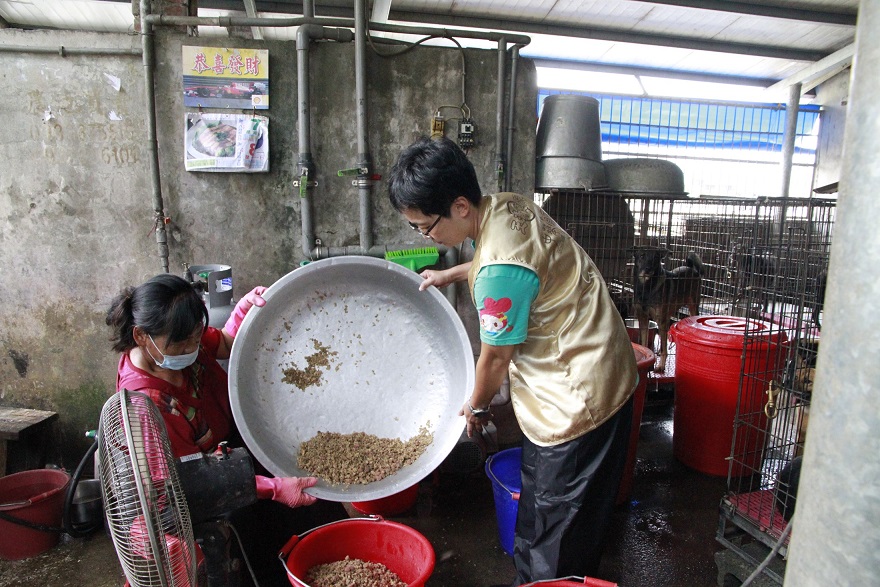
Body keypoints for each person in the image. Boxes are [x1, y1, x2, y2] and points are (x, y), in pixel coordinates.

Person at [388, 136, 638, 585]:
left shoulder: (498, 272)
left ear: (461, 206)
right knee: (541, 506)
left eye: (424, 227)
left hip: (579, 397)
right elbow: (508, 263)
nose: (425, 236)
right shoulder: (506, 205)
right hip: (597, 357)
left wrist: (476, 407)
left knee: (563, 533)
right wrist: (450, 272)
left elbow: (496, 358)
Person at [106, 273, 345, 587]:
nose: (194, 346)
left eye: (196, 335)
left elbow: (227, 344)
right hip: (203, 486)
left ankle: (334, 559)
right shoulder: (147, 409)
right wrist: (273, 488)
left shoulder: (179, 341)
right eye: (183, 342)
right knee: (257, 545)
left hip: (230, 446)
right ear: (140, 336)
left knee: (316, 501)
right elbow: (196, 482)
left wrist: (243, 311)